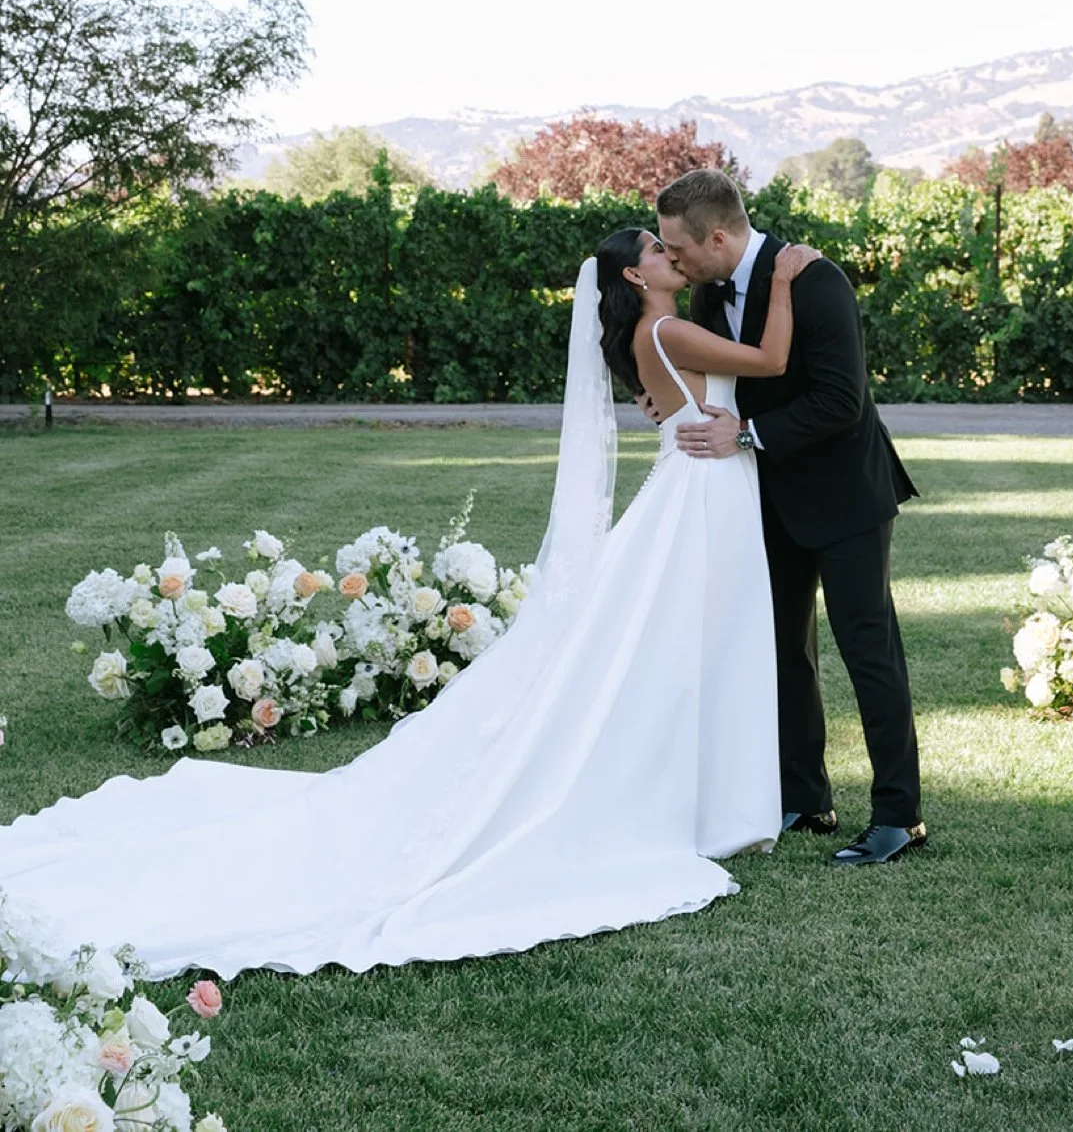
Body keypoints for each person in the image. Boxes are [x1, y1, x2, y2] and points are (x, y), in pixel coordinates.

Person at [0, 234, 814, 979]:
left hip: (700, 484)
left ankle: (717, 793)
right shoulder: (667, 332)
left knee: (680, 650)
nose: (671, 251)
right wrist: (782, 274)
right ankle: (710, 798)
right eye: (655, 248)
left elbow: (703, 387)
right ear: (635, 275)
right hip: (698, 493)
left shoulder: (662, 333)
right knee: (682, 648)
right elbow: (771, 358)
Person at [654, 169, 924, 867]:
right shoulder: (711, 289)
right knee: (782, 649)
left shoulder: (815, 279)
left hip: (847, 495)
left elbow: (843, 399)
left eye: (679, 247)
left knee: (869, 651)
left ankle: (900, 814)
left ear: (718, 236)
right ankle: (806, 795)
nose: (673, 259)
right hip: (767, 498)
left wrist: (745, 434)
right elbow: (723, 373)